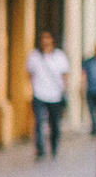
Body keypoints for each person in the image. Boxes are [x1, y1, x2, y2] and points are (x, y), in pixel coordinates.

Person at [26, 29, 70, 159]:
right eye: (43, 38)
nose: (45, 41)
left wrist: (65, 90)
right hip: (39, 94)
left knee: (54, 124)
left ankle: (54, 146)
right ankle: (40, 150)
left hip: (55, 95)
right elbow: (29, 74)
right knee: (39, 122)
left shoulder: (60, 56)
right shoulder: (34, 56)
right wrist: (31, 89)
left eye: (47, 38)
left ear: (52, 40)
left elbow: (65, 75)